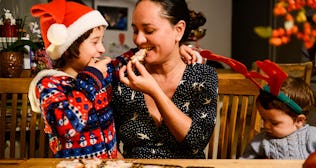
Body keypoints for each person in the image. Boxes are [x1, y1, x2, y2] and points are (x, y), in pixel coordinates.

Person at [28, 0, 197, 159]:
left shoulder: (103, 72)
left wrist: (175, 47)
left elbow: (131, 57)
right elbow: (66, 127)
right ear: (68, 48)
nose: (102, 49)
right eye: (95, 42)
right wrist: (90, 79)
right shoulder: (49, 85)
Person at [111, 0, 218, 159]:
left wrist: (154, 91)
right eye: (135, 30)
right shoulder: (125, 76)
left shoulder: (204, 76)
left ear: (179, 30)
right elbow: (110, 146)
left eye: (149, 30)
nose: (138, 40)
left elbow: (196, 143)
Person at [240, 76, 316, 159]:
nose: (266, 126)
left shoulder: (313, 136)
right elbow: (243, 163)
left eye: (274, 123)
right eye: (263, 119)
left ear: (299, 120)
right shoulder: (261, 140)